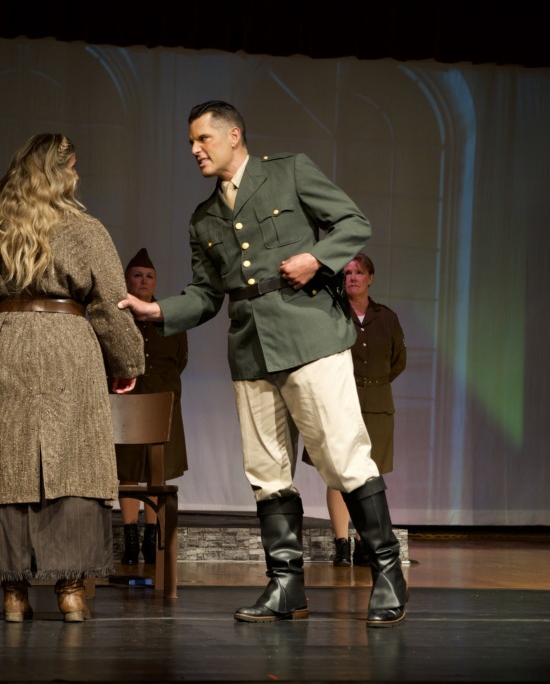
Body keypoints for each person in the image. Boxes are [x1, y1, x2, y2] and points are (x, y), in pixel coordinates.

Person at [119, 101, 408, 626]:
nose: (194, 150)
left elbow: (353, 222)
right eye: (190, 142)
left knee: (344, 457)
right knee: (267, 472)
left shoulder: (289, 171)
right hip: (251, 349)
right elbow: (206, 295)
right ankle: (285, 585)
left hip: (310, 336)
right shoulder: (203, 218)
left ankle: (388, 572)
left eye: (203, 139)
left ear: (233, 134)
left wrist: (318, 258)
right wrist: (159, 309)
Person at [0, 133, 144, 623]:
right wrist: (127, 361)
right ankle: (71, 592)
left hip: (10, 342)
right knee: (73, 462)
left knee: (8, 464)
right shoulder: (86, 229)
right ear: (60, 172)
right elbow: (111, 304)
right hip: (68, 346)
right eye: (73, 166)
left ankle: (14, 594)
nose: (77, 175)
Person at [326, 253, 406, 567]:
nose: (352, 278)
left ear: (370, 277)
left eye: (358, 272)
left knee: (369, 475)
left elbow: (398, 360)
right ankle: (341, 543)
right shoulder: (332, 314)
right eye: (346, 273)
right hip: (340, 402)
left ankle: (364, 544)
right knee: (337, 475)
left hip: (377, 404)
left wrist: (374, 385)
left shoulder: (386, 317)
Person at [115, 248, 189, 566]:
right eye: (137, 275)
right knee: (129, 473)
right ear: (127, 280)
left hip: (162, 402)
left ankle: (150, 536)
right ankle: (130, 536)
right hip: (125, 404)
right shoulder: (115, 316)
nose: (143, 281)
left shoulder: (168, 317)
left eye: (149, 276)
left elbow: (180, 360)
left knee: (157, 474)